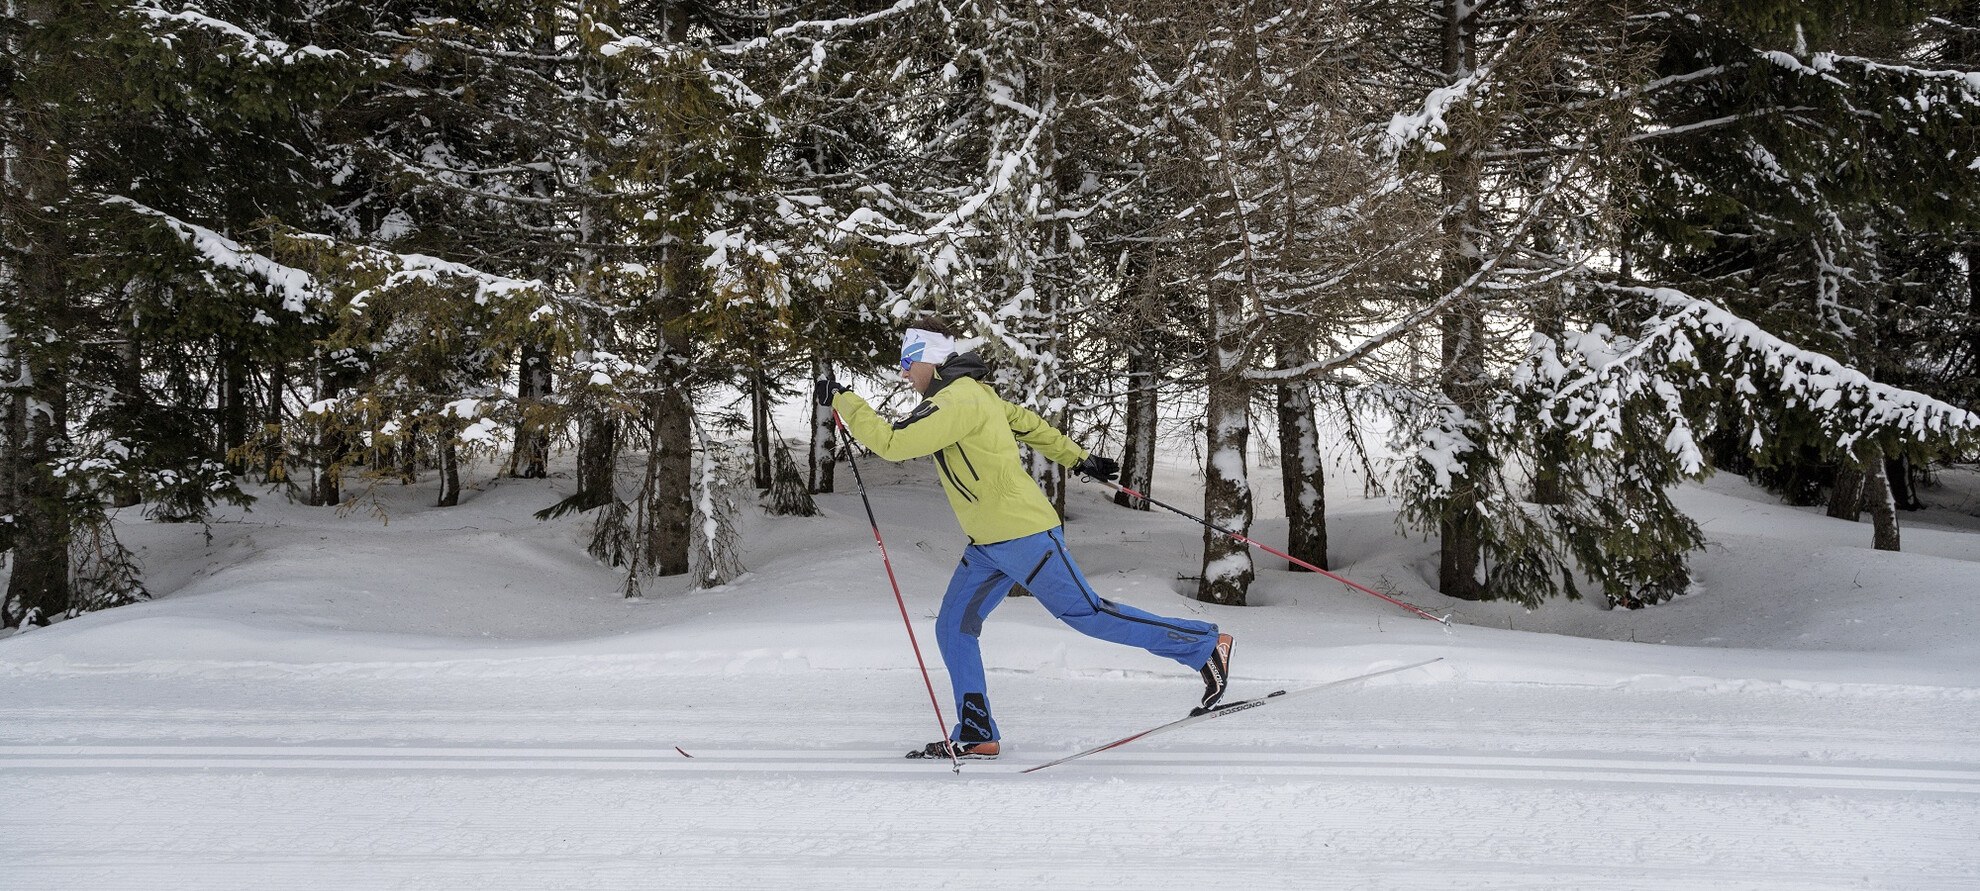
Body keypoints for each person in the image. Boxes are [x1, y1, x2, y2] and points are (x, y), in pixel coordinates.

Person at [816, 317, 1233, 761]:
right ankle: (977, 732)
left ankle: (1206, 646)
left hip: (1023, 535)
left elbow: (892, 443)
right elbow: (1028, 423)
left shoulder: (956, 401)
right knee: (954, 627)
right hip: (988, 545)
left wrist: (842, 398)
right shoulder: (972, 396)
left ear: (930, 360)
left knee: (1088, 614)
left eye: (907, 361)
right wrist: (1081, 459)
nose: (903, 372)